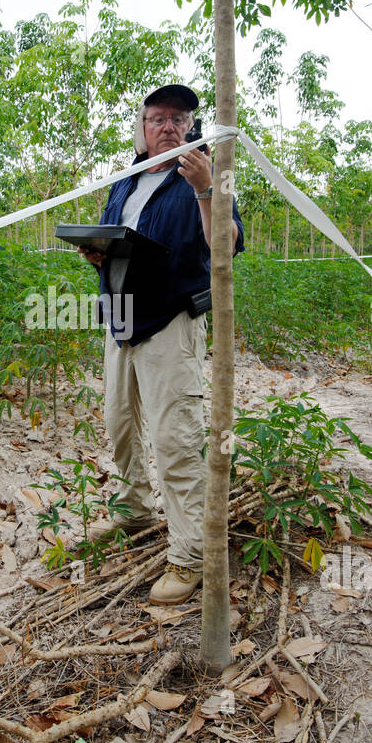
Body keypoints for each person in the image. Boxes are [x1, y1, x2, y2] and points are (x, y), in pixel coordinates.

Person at [77, 83, 244, 605]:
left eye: (179, 119)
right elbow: (114, 234)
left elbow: (227, 244)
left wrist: (205, 190)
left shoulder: (207, 175)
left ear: (191, 128)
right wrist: (97, 253)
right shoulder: (126, 179)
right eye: (157, 118)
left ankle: (190, 555)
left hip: (169, 318)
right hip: (120, 313)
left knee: (175, 435)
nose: (168, 126)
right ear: (142, 128)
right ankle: (133, 510)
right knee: (118, 423)